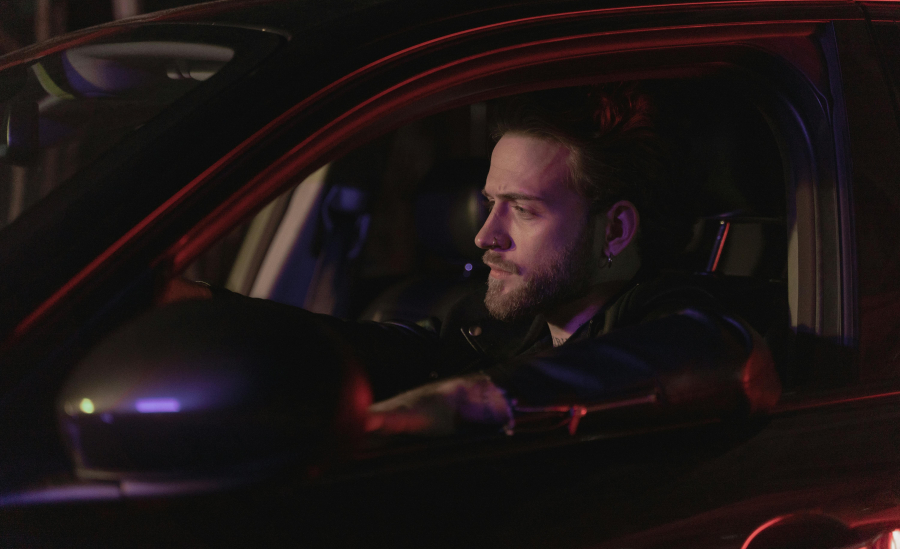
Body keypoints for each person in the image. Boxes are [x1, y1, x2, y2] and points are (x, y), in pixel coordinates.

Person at [163, 84, 781, 439]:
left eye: (523, 210)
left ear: (615, 229)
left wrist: (473, 400)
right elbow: (377, 350)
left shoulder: (670, 315)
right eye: (490, 204)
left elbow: (708, 344)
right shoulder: (497, 326)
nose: (486, 236)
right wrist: (206, 311)